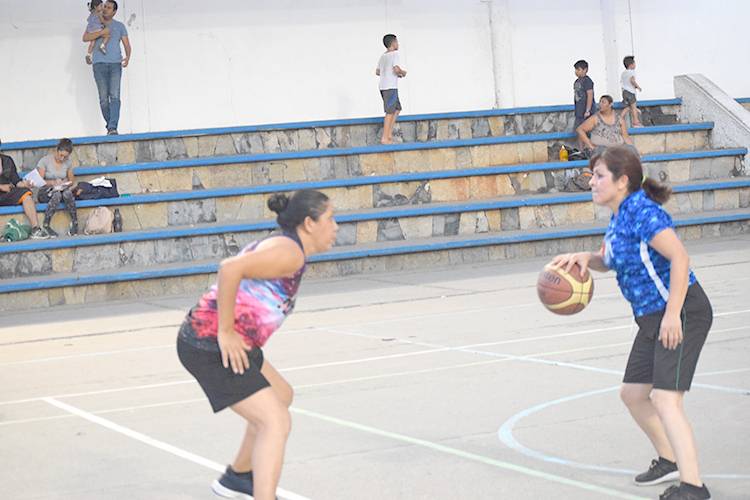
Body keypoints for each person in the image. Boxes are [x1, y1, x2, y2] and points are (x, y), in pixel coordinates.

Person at [549, 146, 712, 500]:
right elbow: (611, 259)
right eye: (592, 175)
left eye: (599, 176)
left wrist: (673, 314)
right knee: (633, 395)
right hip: (651, 318)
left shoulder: (642, 212)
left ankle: (693, 487)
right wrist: (585, 258)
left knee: (666, 399)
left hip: (681, 311)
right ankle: (669, 460)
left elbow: (680, 258)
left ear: (622, 181)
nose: (591, 182)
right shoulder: (619, 215)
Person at [176, 190, 338, 500]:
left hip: (232, 342)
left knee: (281, 395)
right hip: (209, 344)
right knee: (275, 422)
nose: (335, 227)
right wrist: (225, 331)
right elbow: (230, 268)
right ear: (309, 223)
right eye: (330, 219)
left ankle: (238, 477)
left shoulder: (287, 247)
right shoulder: (289, 253)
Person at [82, 0, 131, 135]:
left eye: (109, 8)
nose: (105, 9)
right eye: (104, 6)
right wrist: (102, 32)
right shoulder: (95, 22)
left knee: (114, 96)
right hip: (98, 64)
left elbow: (127, 44)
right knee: (103, 99)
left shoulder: (119, 26)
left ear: (114, 12)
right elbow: (85, 37)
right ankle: (111, 126)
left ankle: (112, 127)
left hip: (115, 64)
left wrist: (128, 57)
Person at [0, 140, 46, 239]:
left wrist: (25, 184)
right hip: (2, 190)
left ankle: (36, 229)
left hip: (7, 193)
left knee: (26, 194)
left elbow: (16, 180)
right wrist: (1, 187)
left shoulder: (7, 160)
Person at [36, 139, 79, 237]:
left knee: (67, 193)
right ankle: (46, 224)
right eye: (61, 155)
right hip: (45, 191)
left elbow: (71, 180)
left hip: (61, 189)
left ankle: (75, 223)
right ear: (57, 150)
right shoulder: (45, 161)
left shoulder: (68, 162)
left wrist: (65, 183)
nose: (62, 158)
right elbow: (39, 182)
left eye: (65, 157)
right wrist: (52, 183)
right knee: (57, 195)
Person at [376, 33, 407, 144]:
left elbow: (377, 72)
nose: (398, 44)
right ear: (393, 43)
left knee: (397, 109)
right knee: (390, 112)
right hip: (390, 87)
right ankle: (385, 137)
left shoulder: (383, 56)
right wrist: (403, 73)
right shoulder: (395, 54)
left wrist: (391, 74)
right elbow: (396, 69)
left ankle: (389, 134)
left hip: (384, 86)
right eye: (397, 42)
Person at [84, 0, 109, 65]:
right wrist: (103, 23)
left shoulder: (92, 12)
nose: (102, 7)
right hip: (97, 29)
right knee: (107, 35)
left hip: (91, 30)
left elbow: (88, 19)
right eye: (101, 5)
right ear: (95, 7)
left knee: (92, 43)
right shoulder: (99, 13)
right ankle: (102, 45)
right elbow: (102, 21)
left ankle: (88, 54)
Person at [573, 59, 596, 130]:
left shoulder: (587, 81)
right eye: (575, 70)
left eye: (578, 69)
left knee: (586, 131)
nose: (576, 71)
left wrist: (587, 110)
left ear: (585, 70)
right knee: (578, 131)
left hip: (586, 113)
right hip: (579, 112)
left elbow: (590, 95)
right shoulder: (577, 81)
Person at [621, 55, 643, 127]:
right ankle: (635, 122)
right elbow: (632, 80)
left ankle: (620, 119)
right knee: (633, 107)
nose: (635, 65)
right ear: (631, 65)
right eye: (634, 63)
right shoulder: (632, 72)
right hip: (630, 92)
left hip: (624, 92)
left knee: (628, 107)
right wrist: (638, 87)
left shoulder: (623, 73)